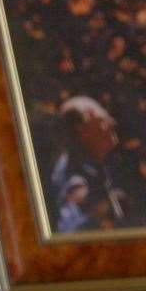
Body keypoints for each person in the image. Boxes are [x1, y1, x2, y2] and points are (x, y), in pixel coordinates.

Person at [46, 95, 125, 232]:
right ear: (82, 131)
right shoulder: (74, 179)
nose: (112, 123)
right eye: (102, 120)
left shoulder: (97, 166)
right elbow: (71, 231)